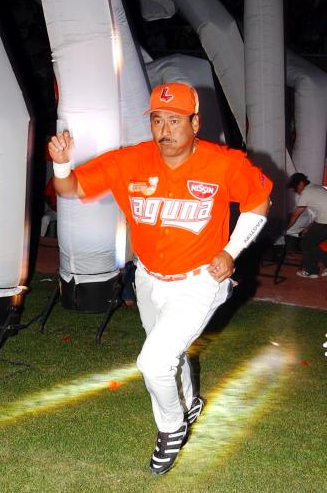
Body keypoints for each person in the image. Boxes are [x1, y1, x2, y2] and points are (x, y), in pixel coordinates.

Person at [48, 82, 272, 475]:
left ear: (195, 122)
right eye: (156, 120)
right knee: (171, 353)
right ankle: (189, 402)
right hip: (149, 278)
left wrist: (231, 251)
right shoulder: (130, 161)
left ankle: (171, 428)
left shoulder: (223, 163)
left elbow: (259, 200)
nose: (164, 129)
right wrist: (61, 163)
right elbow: (70, 187)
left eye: (174, 120)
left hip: (201, 279)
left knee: (153, 362)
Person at [287, 172, 327, 278]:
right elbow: (320, 213)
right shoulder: (316, 188)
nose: (297, 192)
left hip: (325, 221)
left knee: (305, 243)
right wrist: (309, 228)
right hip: (324, 220)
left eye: (296, 189)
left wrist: (286, 228)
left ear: (301, 184)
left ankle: (311, 271)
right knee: (311, 243)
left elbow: (295, 215)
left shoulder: (306, 192)